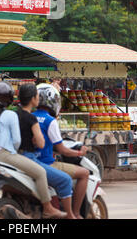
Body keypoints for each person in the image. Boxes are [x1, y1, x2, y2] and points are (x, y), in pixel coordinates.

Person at [0, 81, 65, 219]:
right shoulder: (11, 115)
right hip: (5, 156)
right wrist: (15, 152)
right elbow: (17, 141)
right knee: (41, 172)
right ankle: (48, 208)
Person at [17, 83, 75, 219]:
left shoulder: (14, 115)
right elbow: (42, 144)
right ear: (32, 99)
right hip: (30, 158)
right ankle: (65, 214)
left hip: (15, 156)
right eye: (37, 96)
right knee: (65, 180)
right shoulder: (33, 118)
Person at [34, 83, 89, 219]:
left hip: (30, 161)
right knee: (84, 173)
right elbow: (62, 150)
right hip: (46, 164)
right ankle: (75, 214)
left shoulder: (29, 116)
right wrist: (79, 153)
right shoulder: (50, 121)